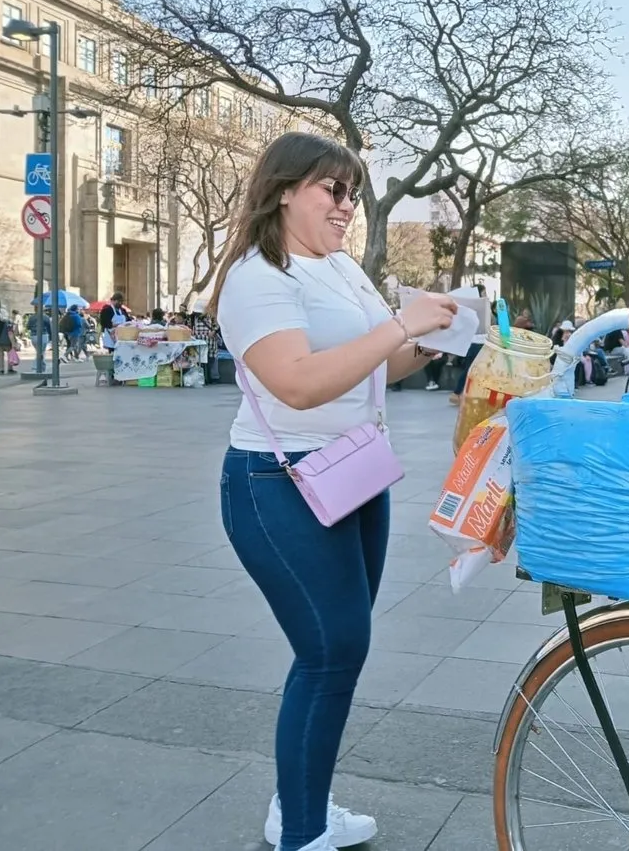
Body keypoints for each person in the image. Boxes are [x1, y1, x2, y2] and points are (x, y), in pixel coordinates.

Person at [208, 131, 457, 851]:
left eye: (353, 192)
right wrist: (400, 327)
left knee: (338, 648)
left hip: (351, 470)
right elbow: (298, 381)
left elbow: (382, 365)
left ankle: (299, 803)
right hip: (276, 482)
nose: (348, 205)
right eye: (333, 189)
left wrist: (440, 334)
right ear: (286, 189)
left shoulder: (343, 269)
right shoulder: (260, 276)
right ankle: (302, 831)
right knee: (331, 648)